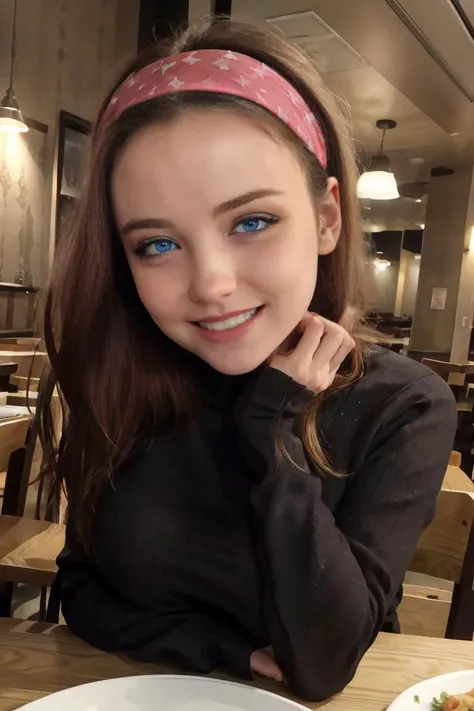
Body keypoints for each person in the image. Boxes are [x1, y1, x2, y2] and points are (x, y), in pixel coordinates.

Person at [41, 17, 457, 702]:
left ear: (327, 217)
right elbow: (81, 587)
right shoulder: (124, 380)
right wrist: (219, 649)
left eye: (251, 222)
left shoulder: (404, 405)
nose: (211, 283)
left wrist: (274, 425)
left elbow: (322, 661)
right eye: (157, 244)